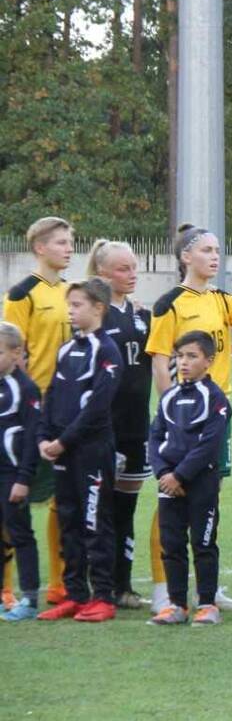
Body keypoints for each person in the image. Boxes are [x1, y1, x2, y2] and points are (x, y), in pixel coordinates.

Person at [146, 224, 232, 612]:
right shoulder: (170, 303)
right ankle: (164, 589)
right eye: (206, 250)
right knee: (170, 494)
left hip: (217, 416)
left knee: (208, 497)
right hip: (183, 419)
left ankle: (208, 588)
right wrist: (171, 410)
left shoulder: (222, 300)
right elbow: (159, 361)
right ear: (186, 256)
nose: (215, 256)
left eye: (217, 250)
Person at [35, 278, 123, 623]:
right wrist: (44, 436)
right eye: (68, 305)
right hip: (62, 452)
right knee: (68, 521)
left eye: (76, 305)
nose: (69, 311)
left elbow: (98, 406)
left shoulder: (107, 350)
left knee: (95, 522)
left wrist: (64, 440)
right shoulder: (66, 348)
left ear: (98, 308)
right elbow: (52, 395)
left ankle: (103, 597)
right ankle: (74, 594)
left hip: (92, 450)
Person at [3, 217, 73, 607]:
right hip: (31, 410)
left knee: (60, 497)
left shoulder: (71, 292)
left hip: (65, 410)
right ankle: (6, 587)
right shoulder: (22, 294)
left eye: (70, 242)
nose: (68, 248)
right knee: (12, 497)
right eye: (61, 242)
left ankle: (58, 585)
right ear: (40, 248)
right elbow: (13, 353)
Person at [86, 240, 154, 610]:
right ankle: (99, 586)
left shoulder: (142, 316)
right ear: (103, 273)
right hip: (104, 431)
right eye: (123, 268)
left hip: (136, 429)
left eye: (133, 267)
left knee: (126, 511)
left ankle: (123, 586)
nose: (132, 274)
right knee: (102, 510)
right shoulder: (96, 318)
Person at [146, 331, 230, 626]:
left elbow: (209, 444)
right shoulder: (169, 396)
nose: (183, 362)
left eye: (192, 356)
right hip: (168, 483)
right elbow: (155, 438)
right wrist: (164, 474)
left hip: (200, 482)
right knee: (171, 544)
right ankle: (177, 604)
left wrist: (180, 475)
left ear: (208, 361)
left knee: (203, 543)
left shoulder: (215, 398)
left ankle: (207, 604)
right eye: (180, 356)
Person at [0, 323, 43, 621]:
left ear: (17, 353)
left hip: (12, 476)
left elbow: (31, 438)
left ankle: (29, 599)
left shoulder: (25, 389)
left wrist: (23, 478)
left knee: (20, 534)